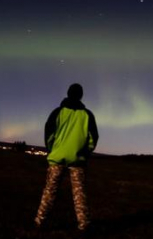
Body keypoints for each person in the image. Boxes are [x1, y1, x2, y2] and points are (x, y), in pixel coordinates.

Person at [34, 83, 99, 232]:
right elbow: (93, 138)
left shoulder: (57, 112)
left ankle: (39, 222)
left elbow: (49, 133)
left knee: (50, 191)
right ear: (81, 96)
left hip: (57, 158)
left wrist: (52, 150)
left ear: (68, 93)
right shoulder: (88, 115)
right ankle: (84, 225)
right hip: (77, 160)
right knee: (79, 194)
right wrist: (84, 153)